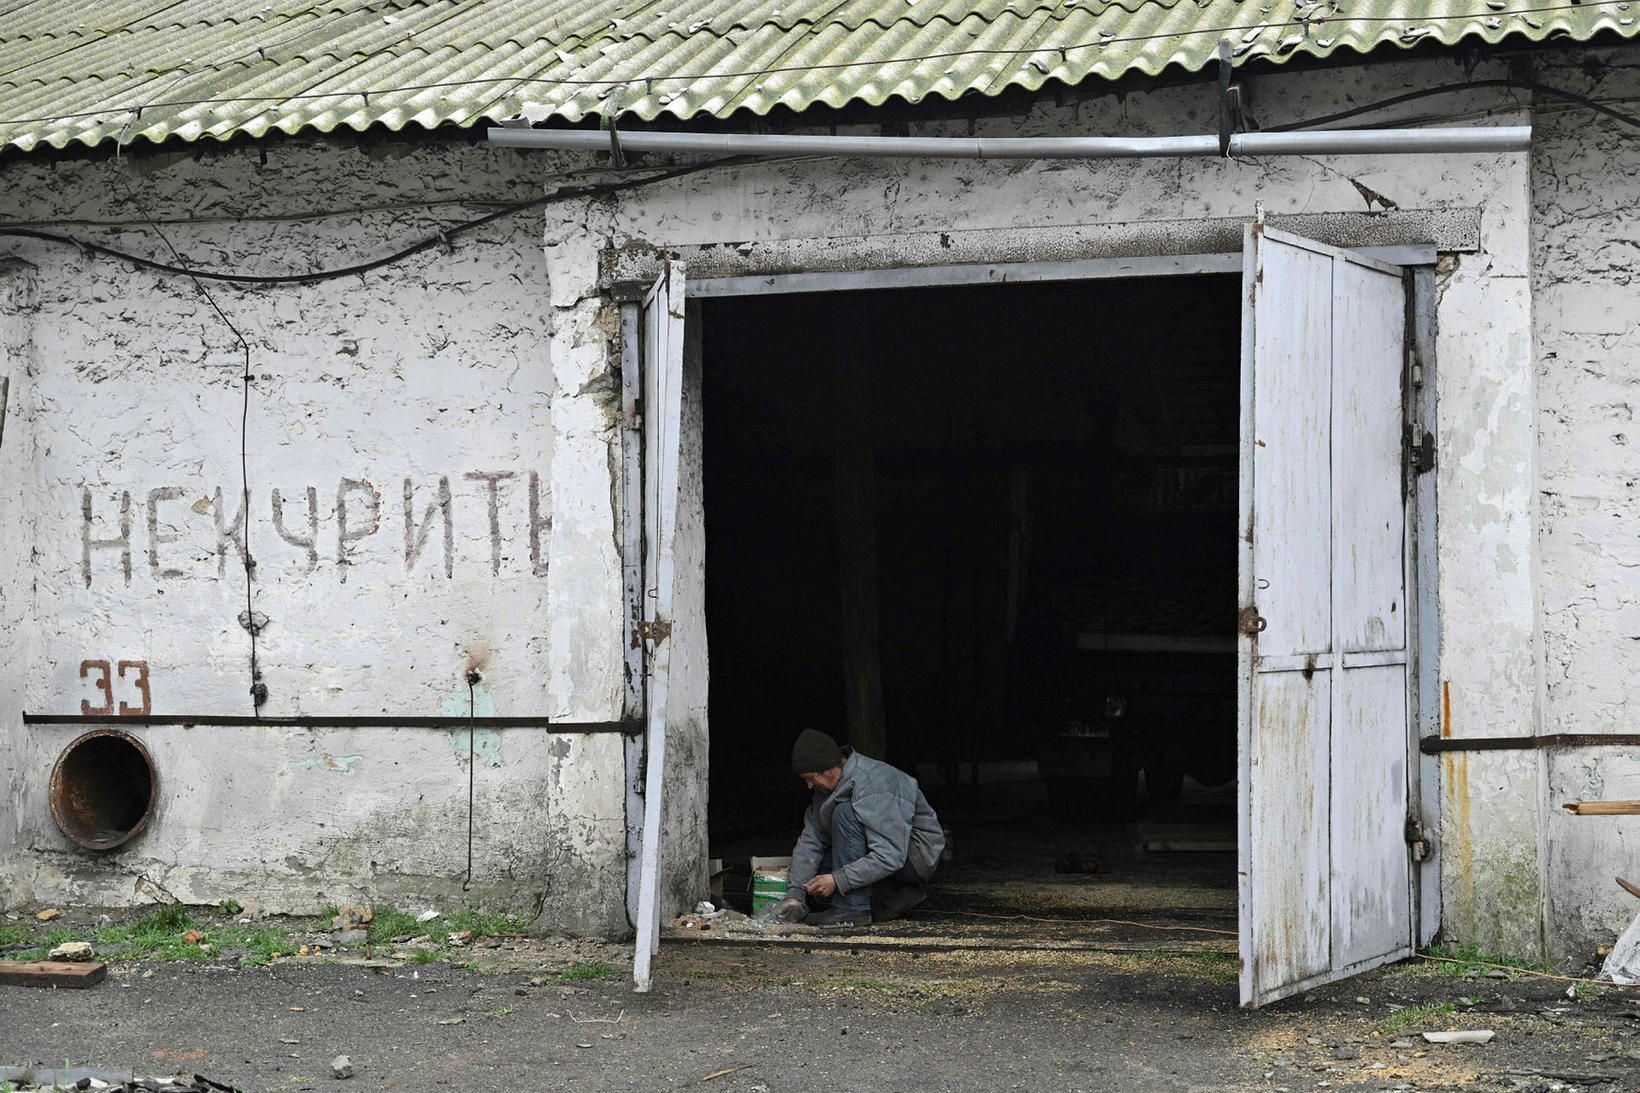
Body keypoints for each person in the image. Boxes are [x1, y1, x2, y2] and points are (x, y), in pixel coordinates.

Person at [771, 729, 945, 928]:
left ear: (827, 769)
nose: (809, 786)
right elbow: (811, 839)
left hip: (913, 856)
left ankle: (852, 909)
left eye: (811, 778)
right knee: (814, 876)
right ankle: (893, 896)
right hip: (880, 851)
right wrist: (795, 895)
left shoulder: (874, 783)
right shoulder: (827, 787)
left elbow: (891, 854)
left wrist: (838, 880)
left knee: (845, 812)